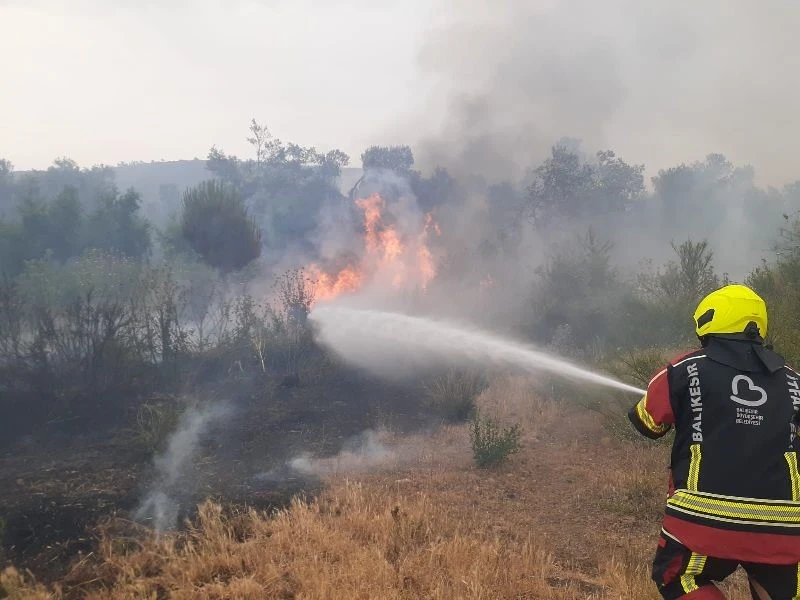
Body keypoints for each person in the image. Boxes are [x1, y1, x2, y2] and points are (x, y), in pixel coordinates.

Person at [629, 284, 800, 600]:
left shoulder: (685, 368)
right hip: (783, 524)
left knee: (676, 577)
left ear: (709, 322)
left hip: (703, 520)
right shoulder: (792, 380)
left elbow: (648, 423)